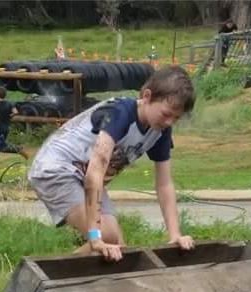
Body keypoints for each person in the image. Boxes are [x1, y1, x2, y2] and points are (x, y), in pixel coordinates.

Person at [27, 66, 196, 262]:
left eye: (176, 118)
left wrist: (174, 234)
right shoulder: (121, 112)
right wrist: (95, 236)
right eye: (166, 114)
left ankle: (73, 277)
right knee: (106, 236)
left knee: (119, 251)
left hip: (84, 175)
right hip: (55, 168)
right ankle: (51, 275)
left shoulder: (160, 130)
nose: (169, 122)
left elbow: (164, 184)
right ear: (147, 96)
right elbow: (96, 169)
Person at [0, 87, 27, 171]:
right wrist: (9, 116)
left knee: (2, 147)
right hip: (6, 127)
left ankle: (18, 149)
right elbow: (15, 112)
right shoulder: (9, 103)